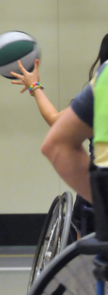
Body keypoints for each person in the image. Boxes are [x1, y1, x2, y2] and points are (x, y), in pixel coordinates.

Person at [41, 36, 108, 204]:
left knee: (84, 218)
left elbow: (55, 123)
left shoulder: (102, 86)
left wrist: (34, 86)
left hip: (101, 189)